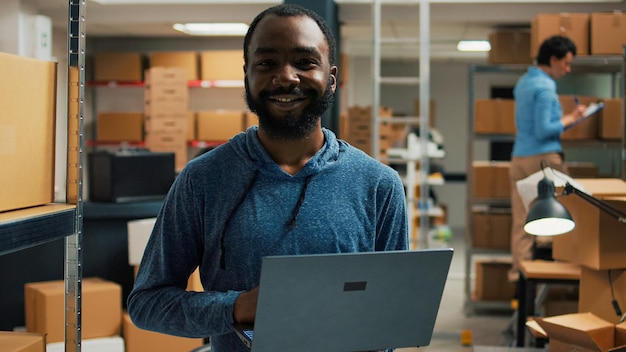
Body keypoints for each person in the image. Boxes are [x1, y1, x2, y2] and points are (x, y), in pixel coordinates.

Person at [127, 4, 409, 352]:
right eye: (267, 63)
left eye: (305, 63)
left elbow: (393, 315)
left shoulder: (378, 185)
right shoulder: (202, 180)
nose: (286, 77)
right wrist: (237, 308)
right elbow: (147, 304)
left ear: (331, 78)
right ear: (248, 74)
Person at [508, 35, 587, 282]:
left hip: (519, 157)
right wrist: (571, 118)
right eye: (565, 63)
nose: (567, 69)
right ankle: (554, 280)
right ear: (552, 60)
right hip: (543, 160)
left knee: (522, 221)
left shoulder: (523, 82)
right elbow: (544, 129)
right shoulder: (545, 86)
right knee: (557, 219)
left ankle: (521, 280)